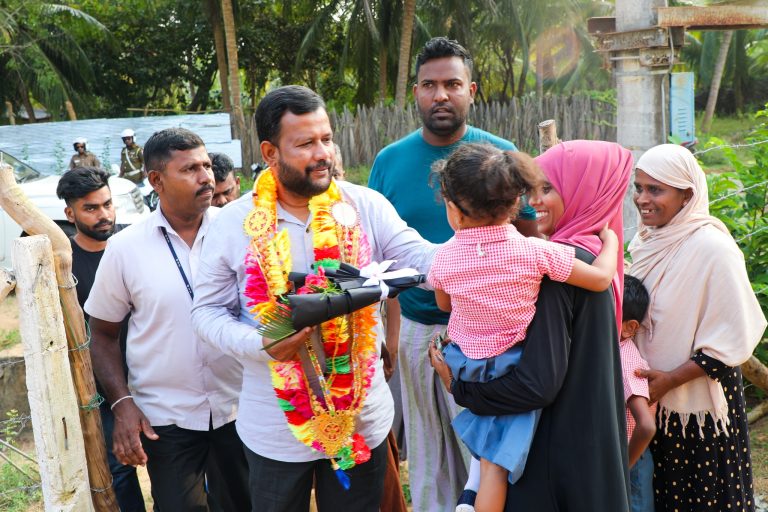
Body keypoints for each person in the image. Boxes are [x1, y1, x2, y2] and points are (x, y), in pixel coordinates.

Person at [191, 85, 437, 512]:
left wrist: (485, 252)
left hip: (361, 418)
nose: (322, 152)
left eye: (326, 138)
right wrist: (260, 344)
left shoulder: (364, 204)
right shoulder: (234, 223)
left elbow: (417, 254)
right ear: (270, 153)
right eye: (305, 143)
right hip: (274, 428)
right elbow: (206, 312)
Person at [367, 36, 538, 511]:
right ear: (416, 93)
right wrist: (393, 333)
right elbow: (377, 249)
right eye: (429, 85)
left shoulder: (500, 155)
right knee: (427, 451)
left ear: (472, 90)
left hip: (490, 339)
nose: (440, 95)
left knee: (483, 451)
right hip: (421, 327)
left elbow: (531, 237)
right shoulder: (389, 162)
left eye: (452, 84)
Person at [431, 140, 633, 511]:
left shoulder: (555, 269)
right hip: (590, 443)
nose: (537, 200)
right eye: (533, 189)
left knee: (491, 461)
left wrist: (456, 387)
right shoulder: (560, 256)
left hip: (553, 458)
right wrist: (612, 243)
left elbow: (537, 385)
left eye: (548, 188)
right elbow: (601, 279)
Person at [85, 127, 250, 511]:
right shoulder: (126, 249)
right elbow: (102, 334)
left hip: (240, 406)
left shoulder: (242, 233)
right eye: (190, 168)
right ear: (156, 180)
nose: (207, 177)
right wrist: (123, 403)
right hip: (167, 420)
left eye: (207, 165)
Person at [627, 144, 766, 512]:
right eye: (638, 188)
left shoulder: (713, 249)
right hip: (651, 406)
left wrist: (669, 380)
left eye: (656, 189)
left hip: (697, 414)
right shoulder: (644, 242)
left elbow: (732, 339)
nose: (643, 199)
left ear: (687, 194)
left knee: (702, 498)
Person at [56, 167, 146, 512]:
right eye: (90, 208)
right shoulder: (63, 266)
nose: (104, 214)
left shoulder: (132, 247)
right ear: (70, 213)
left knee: (174, 457)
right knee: (120, 469)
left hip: (151, 373)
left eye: (107, 204)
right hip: (104, 385)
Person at [618, 274, 656, 512]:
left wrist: (624, 467)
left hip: (632, 457)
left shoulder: (626, 359)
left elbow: (647, 426)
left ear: (630, 327)